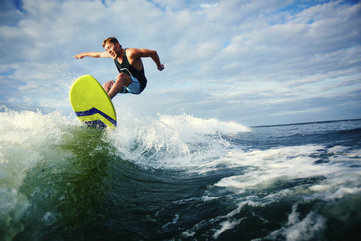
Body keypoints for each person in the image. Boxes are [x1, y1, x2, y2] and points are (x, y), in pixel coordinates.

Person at [74, 37, 164, 99]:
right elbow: (98, 55)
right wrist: (83, 54)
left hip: (139, 85)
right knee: (107, 85)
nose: (108, 51)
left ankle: (106, 101)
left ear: (117, 45)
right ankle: (100, 107)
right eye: (106, 49)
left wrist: (159, 65)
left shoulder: (130, 53)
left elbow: (153, 53)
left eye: (109, 47)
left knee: (121, 76)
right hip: (126, 85)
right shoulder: (112, 54)